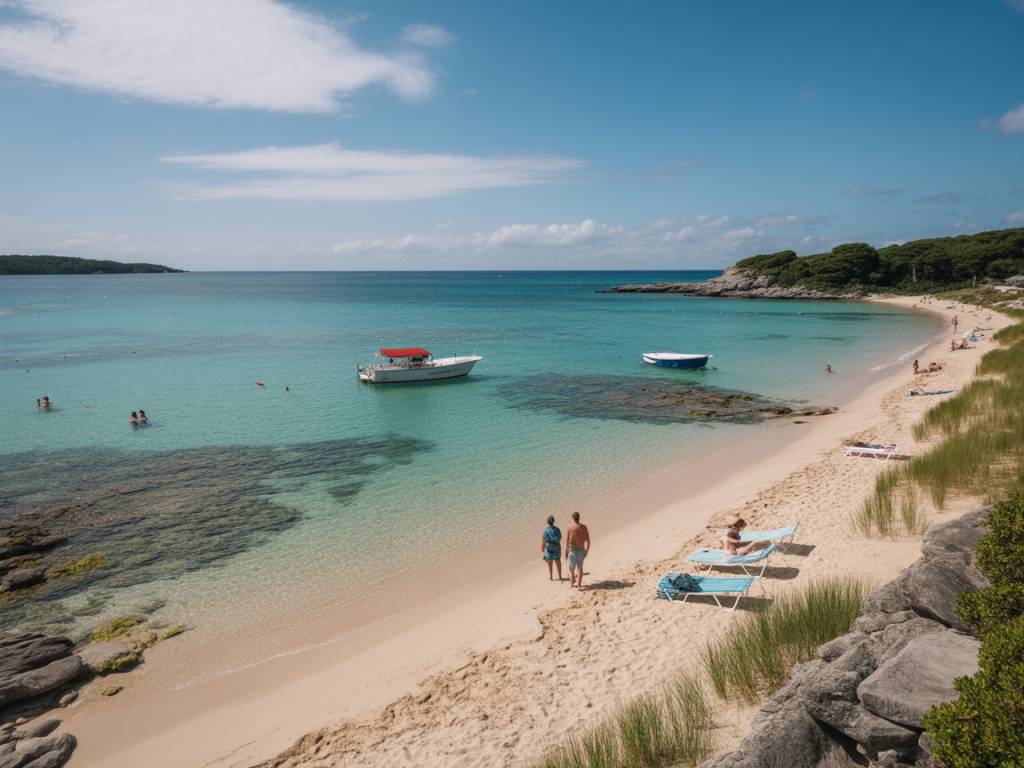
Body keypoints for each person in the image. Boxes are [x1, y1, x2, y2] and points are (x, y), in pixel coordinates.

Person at [565, 511, 590, 588]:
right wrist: (586, 551)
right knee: (580, 568)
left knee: (571, 569)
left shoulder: (570, 527)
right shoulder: (584, 527)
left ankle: (572, 584)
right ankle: (579, 585)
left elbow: (567, 541)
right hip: (581, 550)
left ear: (573, 518)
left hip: (572, 550)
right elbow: (588, 540)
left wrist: (566, 551)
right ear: (579, 517)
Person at [541, 516, 562, 581]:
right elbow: (560, 537)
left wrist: (542, 551)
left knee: (550, 564)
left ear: (547, 522)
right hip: (557, 549)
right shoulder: (557, 529)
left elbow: (543, 542)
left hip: (549, 550)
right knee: (558, 562)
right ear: (554, 521)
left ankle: (551, 577)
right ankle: (560, 576)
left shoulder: (546, 531)